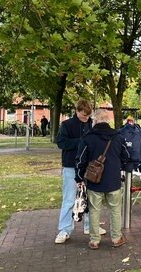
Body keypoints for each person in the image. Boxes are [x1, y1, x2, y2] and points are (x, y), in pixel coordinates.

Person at [75, 109, 130, 249]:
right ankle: (116, 238)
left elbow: (80, 160)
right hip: (113, 180)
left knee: (94, 210)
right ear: (107, 121)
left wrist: (79, 177)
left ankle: (94, 240)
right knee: (115, 210)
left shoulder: (88, 137)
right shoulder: (118, 137)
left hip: (94, 181)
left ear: (95, 121)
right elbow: (126, 156)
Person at [54, 99, 106, 244]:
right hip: (71, 166)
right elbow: (61, 143)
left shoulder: (91, 124)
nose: (86, 118)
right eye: (83, 115)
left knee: (91, 198)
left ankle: (90, 226)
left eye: (88, 116)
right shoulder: (66, 125)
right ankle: (64, 230)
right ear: (77, 111)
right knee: (69, 199)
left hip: (89, 166)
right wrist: (82, 141)